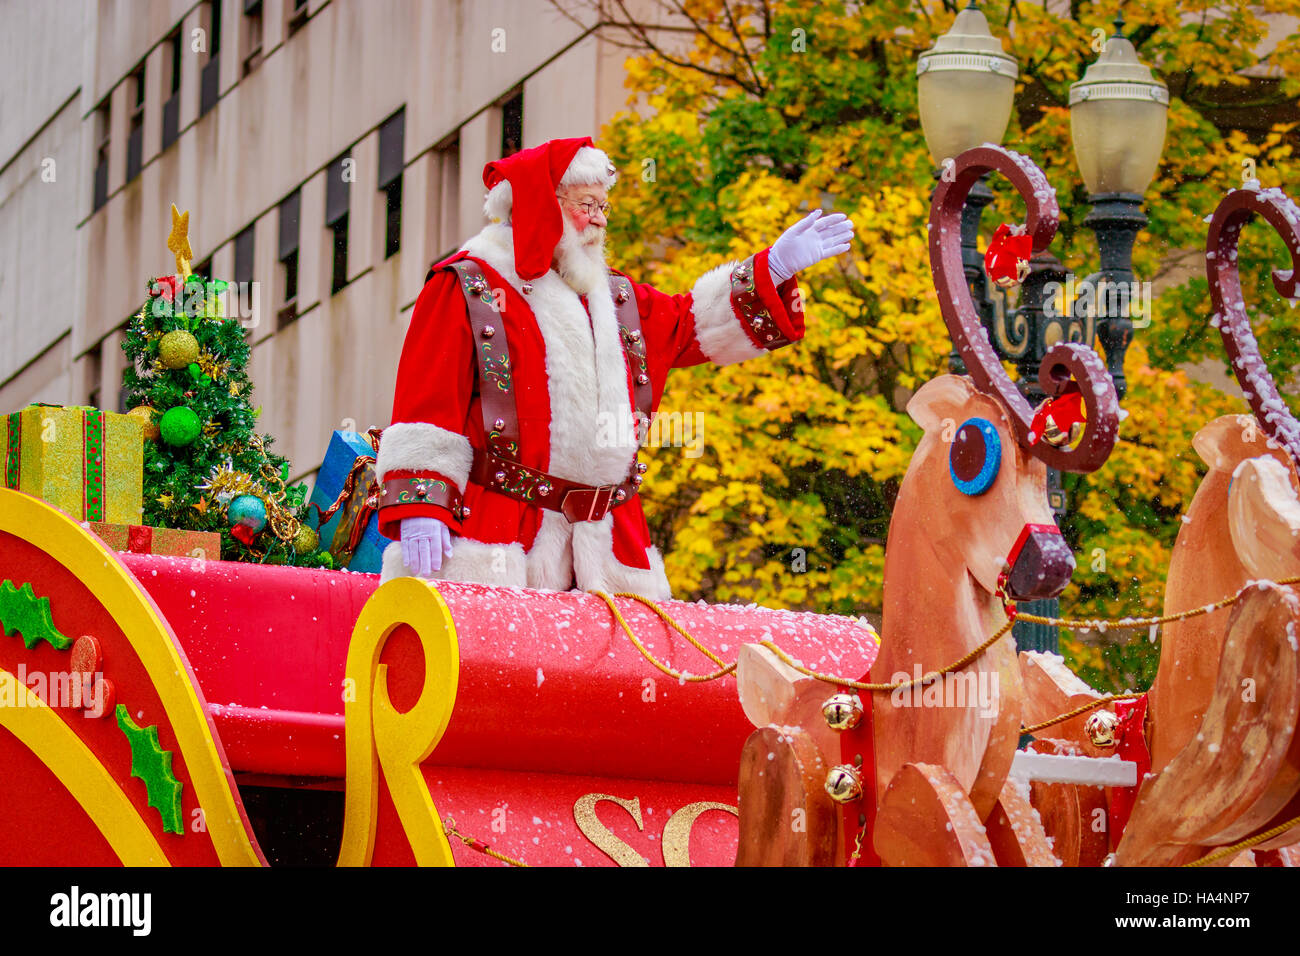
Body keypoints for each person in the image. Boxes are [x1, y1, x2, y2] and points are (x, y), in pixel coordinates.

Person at [374, 136, 853, 598]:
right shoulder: (467, 285)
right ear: (543, 202)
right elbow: (427, 401)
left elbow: (690, 324)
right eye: (587, 204)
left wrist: (771, 269)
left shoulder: (616, 296)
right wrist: (422, 502)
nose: (600, 221)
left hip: (607, 545)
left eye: (604, 207)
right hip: (499, 532)